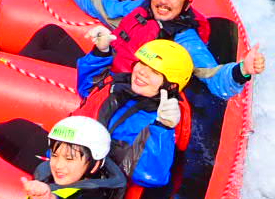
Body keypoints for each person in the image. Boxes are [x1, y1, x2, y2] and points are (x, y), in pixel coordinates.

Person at [25, 0, 265, 101]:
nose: (163, 1)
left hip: (121, 89)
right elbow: (100, 5)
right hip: (104, 64)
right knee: (49, 34)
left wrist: (243, 69)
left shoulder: (184, 39)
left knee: (42, 57)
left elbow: (214, 78)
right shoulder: (141, 9)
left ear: (186, 4)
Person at [76, 37, 194, 189]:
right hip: (67, 154)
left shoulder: (154, 122)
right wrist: (101, 52)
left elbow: (151, 176)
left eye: (155, 72)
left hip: (89, 181)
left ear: (170, 86)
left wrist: (162, 127)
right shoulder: (121, 88)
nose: (142, 72)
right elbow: (87, 90)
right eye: (143, 63)